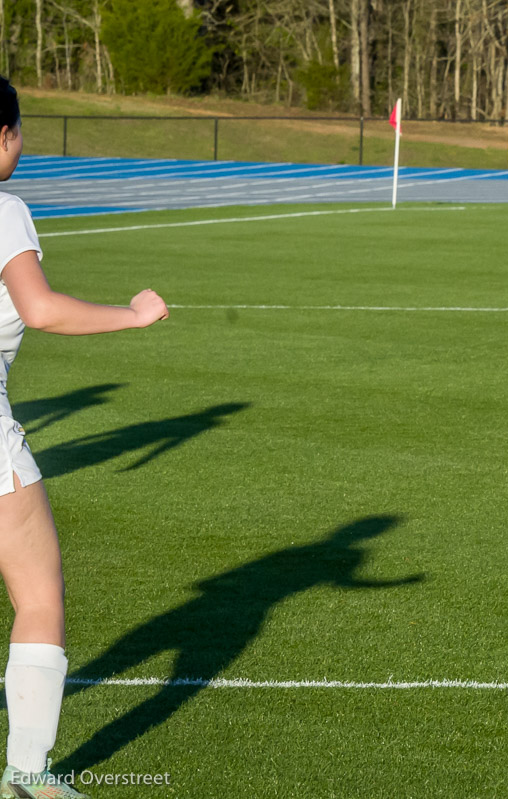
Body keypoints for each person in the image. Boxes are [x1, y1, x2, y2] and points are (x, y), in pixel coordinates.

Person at [0, 76, 168, 798]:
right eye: (18, 131)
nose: (23, 143)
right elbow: (38, 308)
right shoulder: (4, 210)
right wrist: (132, 315)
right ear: (1, 138)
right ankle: (28, 775)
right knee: (39, 593)